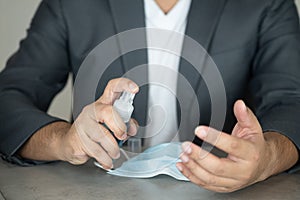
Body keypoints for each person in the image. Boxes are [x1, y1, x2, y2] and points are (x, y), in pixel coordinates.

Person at [0, 0, 299, 193]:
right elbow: (8, 96)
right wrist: (63, 140)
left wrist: (267, 156)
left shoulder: (265, 4)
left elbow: (292, 100)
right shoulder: (70, 4)